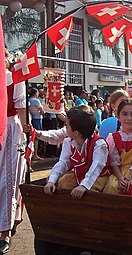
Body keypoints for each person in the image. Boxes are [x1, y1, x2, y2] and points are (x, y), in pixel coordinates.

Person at [44, 105, 111, 199]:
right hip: (79, 174)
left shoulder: (99, 144)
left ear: (76, 133)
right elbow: (63, 163)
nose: (64, 127)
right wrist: (51, 181)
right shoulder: (69, 141)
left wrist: (84, 185)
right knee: (59, 182)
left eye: (66, 126)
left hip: (99, 176)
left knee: (90, 193)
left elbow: (97, 166)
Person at [0, 49, 27, 254]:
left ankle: (4, 231)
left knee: (8, 179)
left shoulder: (13, 77)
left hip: (9, 128)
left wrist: (27, 131)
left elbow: (20, 106)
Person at [103, 99, 132, 195]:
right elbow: (113, 161)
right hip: (119, 172)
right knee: (112, 186)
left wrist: (130, 177)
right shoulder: (113, 137)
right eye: (124, 114)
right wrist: (120, 177)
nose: (129, 118)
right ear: (118, 117)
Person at [28, 87, 44, 160]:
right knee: (36, 137)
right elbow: (42, 111)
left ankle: (33, 154)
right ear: (35, 93)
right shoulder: (36, 101)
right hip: (37, 119)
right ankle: (35, 155)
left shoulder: (28, 100)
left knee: (32, 137)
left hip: (32, 118)